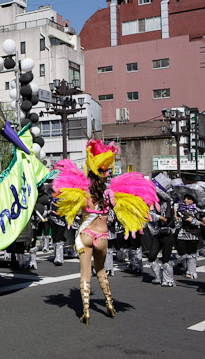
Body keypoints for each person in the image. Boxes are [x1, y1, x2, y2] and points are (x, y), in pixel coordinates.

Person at [52, 139, 156, 325]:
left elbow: (66, 203)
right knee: (101, 270)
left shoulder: (83, 192)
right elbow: (123, 210)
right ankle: (109, 304)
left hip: (85, 235)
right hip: (103, 237)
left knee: (84, 274)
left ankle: (86, 311)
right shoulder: (112, 194)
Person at [146, 183, 175, 286]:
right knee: (151, 256)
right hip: (157, 234)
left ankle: (168, 280)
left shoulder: (167, 203)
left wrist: (153, 215)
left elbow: (165, 219)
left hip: (167, 233)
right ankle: (158, 277)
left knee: (166, 258)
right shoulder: (153, 205)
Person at [175, 193, 203, 280]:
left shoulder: (198, 210)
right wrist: (177, 219)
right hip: (182, 234)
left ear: (193, 200)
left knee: (191, 254)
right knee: (182, 253)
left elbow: (203, 223)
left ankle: (191, 271)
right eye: (185, 198)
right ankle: (187, 268)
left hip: (193, 234)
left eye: (188, 199)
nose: (185, 200)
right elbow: (178, 224)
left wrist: (193, 220)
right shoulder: (180, 210)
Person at [47, 197, 67, 266]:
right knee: (55, 239)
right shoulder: (52, 198)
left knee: (59, 239)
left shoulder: (65, 197)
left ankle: (59, 258)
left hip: (61, 220)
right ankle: (56, 256)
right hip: (53, 220)